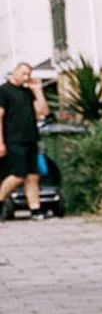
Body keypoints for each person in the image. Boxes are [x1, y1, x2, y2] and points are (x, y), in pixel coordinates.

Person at [0, 63, 47, 218]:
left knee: (33, 175)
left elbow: (42, 111)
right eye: (23, 73)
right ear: (14, 72)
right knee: (18, 174)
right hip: (13, 138)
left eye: (28, 74)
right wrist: (0, 142)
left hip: (31, 137)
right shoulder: (4, 91)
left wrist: (38, 90)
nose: (26, 77)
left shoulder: (28, 92)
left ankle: (35, 209)